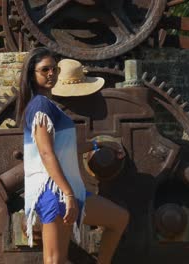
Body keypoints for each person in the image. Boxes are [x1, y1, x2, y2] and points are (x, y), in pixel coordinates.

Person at [20, 47, 130, 264]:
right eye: (44, 70)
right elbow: (46, 152)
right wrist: (68, 194)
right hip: (54, 191)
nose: (51, 73)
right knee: (55, 260)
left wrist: (95, 144)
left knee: (119, 219)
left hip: (66, 189)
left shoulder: (49, 105)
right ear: (32, 74)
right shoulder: (40, 105)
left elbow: (63, 147)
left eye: (54, 69)